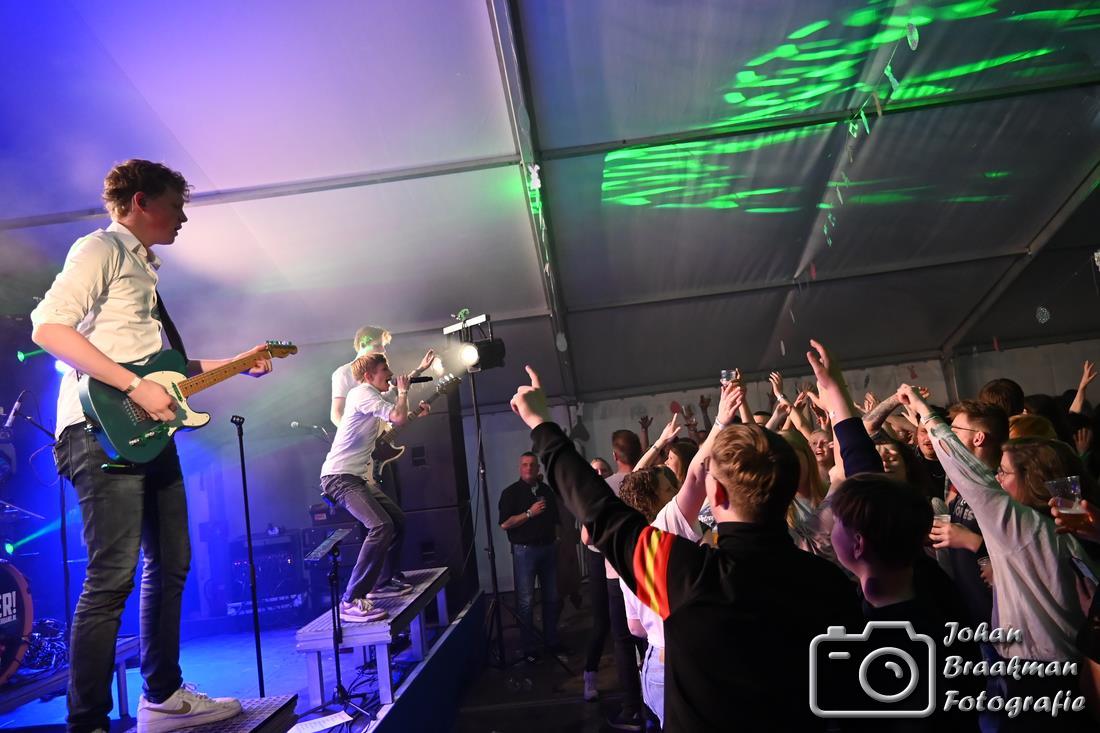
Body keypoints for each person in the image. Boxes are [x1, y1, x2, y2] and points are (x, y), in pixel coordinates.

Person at [30, 160, 275, 733]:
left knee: (171, 562)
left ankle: (162, 697)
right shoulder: (101, 248)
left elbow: (161, 370)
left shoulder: (143, 268)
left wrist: (238, 362)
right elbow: (48, 327)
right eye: (175, 205)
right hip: (98, 430)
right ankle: (88, 722)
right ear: (140, 201)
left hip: (145, 433)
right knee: (111, 576)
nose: (183, 217)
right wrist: (134, 385)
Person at [509, 339, 865, 731]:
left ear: (718, 494)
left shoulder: (683, 573)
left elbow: (599, 510)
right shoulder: (832, 585)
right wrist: (839, 402)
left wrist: (541, 426)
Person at [321, 353, 429, 623]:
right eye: (385, 369)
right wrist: (403, 393)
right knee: (381, 526)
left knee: (397, 520)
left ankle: (380, 583)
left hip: (356, 476)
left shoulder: (372, 393)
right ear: (369, 376)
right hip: (339, 477)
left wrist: (418, 370)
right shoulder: (361, 394)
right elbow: (398, 415)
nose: (390, 374)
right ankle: (350, 600)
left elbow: (397, 397)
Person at [498, 452, 561, 662]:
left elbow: (556, 519)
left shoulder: (546, 491)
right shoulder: (510, 493)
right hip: (525, 551)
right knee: (526, 600)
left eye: (532, 465)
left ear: (538, 468)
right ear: (520, 467)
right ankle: (528, 648)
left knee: (552, 598)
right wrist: (529, 513)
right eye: (525, 464)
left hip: (548, 549)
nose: (528, 468)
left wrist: (558, 539)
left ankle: (552, 641)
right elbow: (505, 523)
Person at [329, 325, 433, 427]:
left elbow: (391, 400)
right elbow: (336, 415)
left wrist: (420, 369)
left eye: (383, 346)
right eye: (377, 345)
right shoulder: (343, 373)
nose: (383, 350)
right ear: (363, 345)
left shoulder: (378, 373)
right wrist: (352, 434)